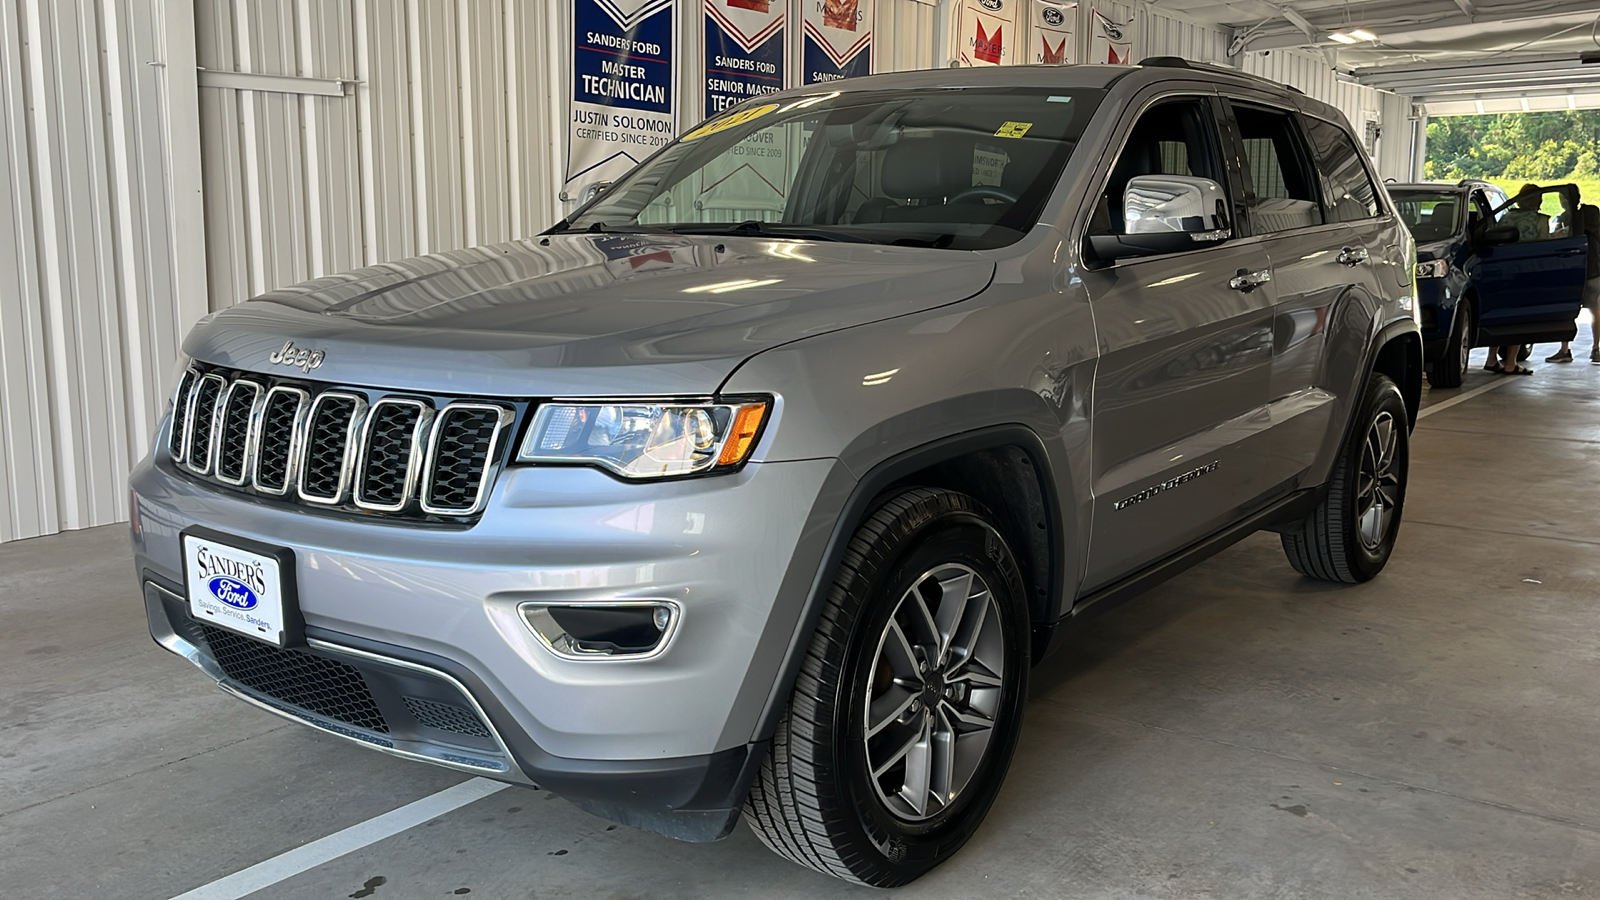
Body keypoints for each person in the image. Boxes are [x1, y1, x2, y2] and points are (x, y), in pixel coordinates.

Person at [1545, 202, 1600, 364]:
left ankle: (1564, 349)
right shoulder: (1597, 230)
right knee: (1595, 311)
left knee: (1569, 311)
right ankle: (1596, 348)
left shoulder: (1572, 228)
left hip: (1575, 273)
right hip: (1595, 273)